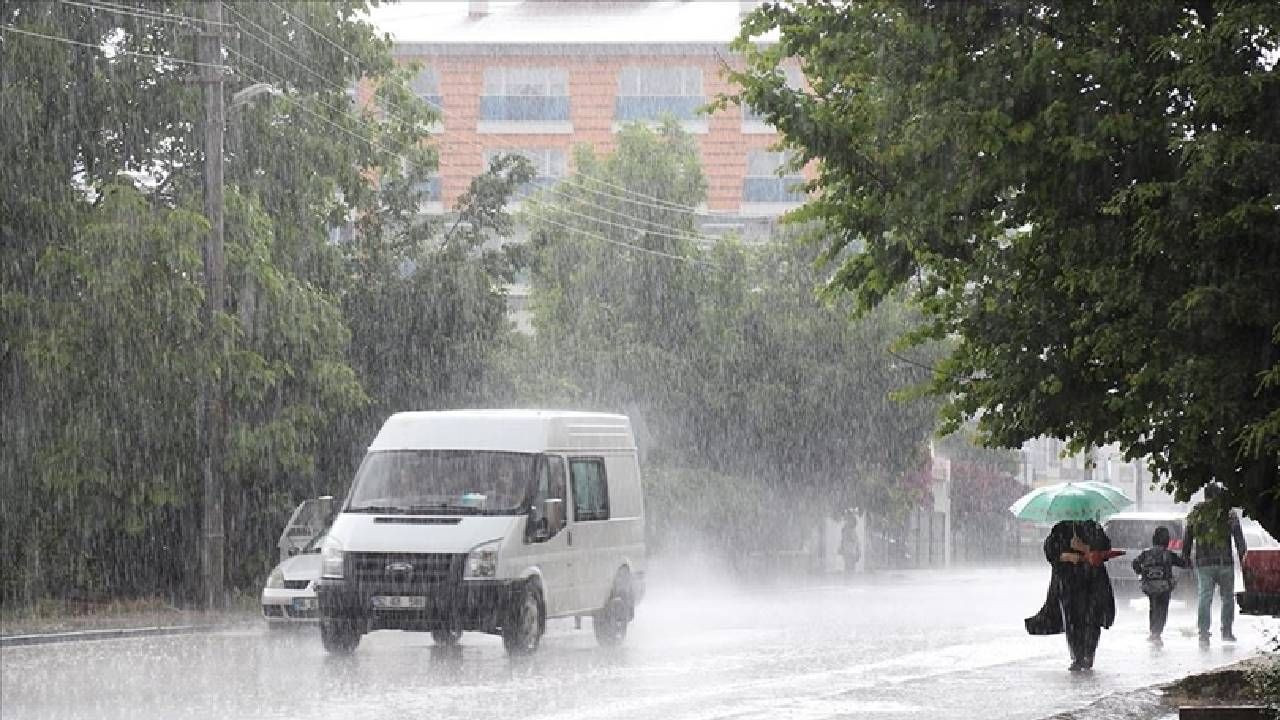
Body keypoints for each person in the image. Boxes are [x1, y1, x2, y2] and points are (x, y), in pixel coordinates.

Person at [1025, 519, 1116, 672]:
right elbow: (1050, 551)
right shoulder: (1060, 529)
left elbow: (1104, 551)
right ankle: (1078, 657)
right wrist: (1065, 556)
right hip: (1068, 584)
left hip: (1092, 583)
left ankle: (1088, 653)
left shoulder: (1093, 527)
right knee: (1072, 619)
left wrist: (1084, 548)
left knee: (1092, 619)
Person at [1182, 483, 1247, 644]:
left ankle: (1203, 632)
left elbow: (1188, 535)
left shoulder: (1196, 512)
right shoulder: (1228, 513)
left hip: (1204, 563)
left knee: (1205, 597)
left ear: (1205, 495)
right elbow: (1238, 537)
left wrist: (1186, 555)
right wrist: (1243, 556)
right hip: (1224, 562)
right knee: (1227, 598)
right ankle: (1227, 631)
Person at [1131, 526, 1189, 645]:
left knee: (1153, 607)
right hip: (1164, 587)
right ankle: (1157, 632)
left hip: (1150, 586)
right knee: (1162, 609)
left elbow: (1135, 563)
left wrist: (1141, 573)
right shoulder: (1168, 554)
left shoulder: (1146, 553)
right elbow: (1183, 563)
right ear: (1167, 541)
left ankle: (1153, 631)